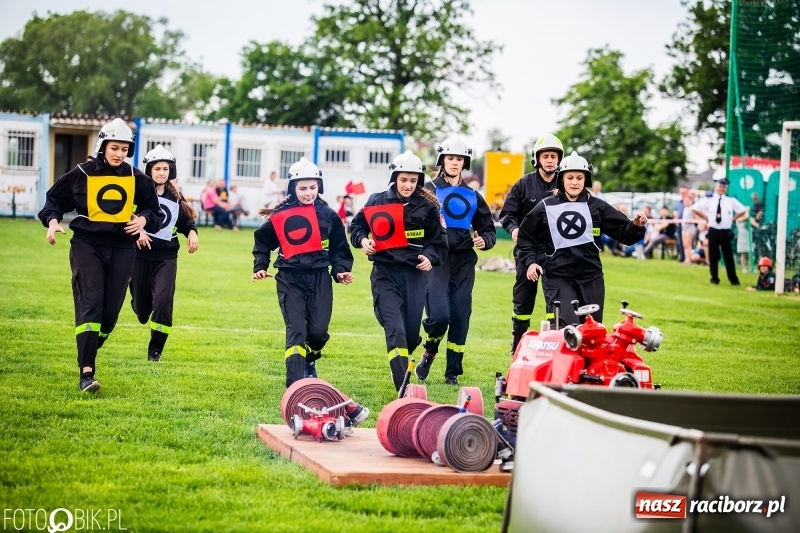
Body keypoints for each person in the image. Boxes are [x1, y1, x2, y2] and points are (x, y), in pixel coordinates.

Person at [38, 118, 161, 392]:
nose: (119, 153)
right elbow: (54, 200)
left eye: (124, 149)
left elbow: (155, 210)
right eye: (114, 147)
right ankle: (87, 373)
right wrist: (53, 221)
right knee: (90, 303)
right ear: (103, 145)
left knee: (108, 317)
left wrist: (142, 220)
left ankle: (91, 344)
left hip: (123, 247)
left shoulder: (136, 177)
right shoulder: (82, 172)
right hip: (87, 244)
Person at [349, 150, 447, 391]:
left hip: (414, 275)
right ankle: (402, 390)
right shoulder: (376, 200)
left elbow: (439, 242)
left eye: (413, 181)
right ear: (394, 177)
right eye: (404, 179)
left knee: (410, 336)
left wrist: (429, 257)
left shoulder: (427, 207)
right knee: (395, 330)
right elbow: (357, 227)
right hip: (384, 273)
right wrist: (363, 241)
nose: (408, 185)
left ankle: (405, 357)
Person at [252, 157, 354, 388]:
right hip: (289, 278)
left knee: (318, 333)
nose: (308, 193)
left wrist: (340, 271)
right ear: (292, 188)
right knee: (296, 331)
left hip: (320, 278)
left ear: (319, 187)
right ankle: (295, 386)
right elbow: (262, 241)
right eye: (302, 188)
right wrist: (260, 266)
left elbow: (339, 250)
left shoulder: (328, 215)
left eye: (312, 187)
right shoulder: (281, 214)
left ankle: (311, 359)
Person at [516, 151, 647, 328]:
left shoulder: (597, 206)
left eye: (579, 177)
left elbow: (623, 233)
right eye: (570, 177)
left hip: (590, 277)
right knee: (568, 329)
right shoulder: (546, 206)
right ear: (561, 179)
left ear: (586, 180)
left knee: (592, 332)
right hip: (558, 277)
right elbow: (526, 237)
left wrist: (636, 226)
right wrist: (531, 262)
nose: (575, 182)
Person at [416, 137, 497, 386]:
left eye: (459, 159)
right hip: (436, 260)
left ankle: (452, 373)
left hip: (464, 262)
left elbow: (488, 229)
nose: (454, 162)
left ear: (465, 162)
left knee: (461, 316)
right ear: (442, 160)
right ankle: (429, 351)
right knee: (440, 316)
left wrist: (485, 240)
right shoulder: (426, 190)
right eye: (450, 158)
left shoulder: (473, 195)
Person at [129, 145, 199, 363]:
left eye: (166, 169)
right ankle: (140, 308)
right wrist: (138, 230)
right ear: (149, 170)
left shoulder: (176, 198)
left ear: (171, 172)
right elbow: (125, 216)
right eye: (157, 168)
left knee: (163, 302)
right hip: (140, 256)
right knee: (142, 309)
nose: (161, 172)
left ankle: (155, 351)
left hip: (167, 257)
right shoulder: (138, 194)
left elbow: (186, 222)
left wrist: (193, 233)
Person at [499, 133, 563, 355]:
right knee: (524, 300)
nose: (550, 160)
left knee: (555, 301)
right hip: (527, 251)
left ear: (559, 159)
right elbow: (507, 214)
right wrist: (514, 229)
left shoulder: (566, 184)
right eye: (545, 156)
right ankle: (517, 346)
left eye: (553, 156)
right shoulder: (523, 185)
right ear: (537, 159)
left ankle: (554, 348)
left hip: (556, 253)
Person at [691, 177, 748, 285]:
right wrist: (705, 217)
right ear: (716, 187)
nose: (722, 188)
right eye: (720, 186)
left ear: (726, 188)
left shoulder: (730, 200)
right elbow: (694, 208)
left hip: (725, 231)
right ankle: (714, 278)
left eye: (724, 187)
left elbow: (742, 210)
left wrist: (734, 218)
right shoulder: (709, 198)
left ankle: (733, 279)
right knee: (713, 256)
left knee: (728, 256)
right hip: (713, 230)